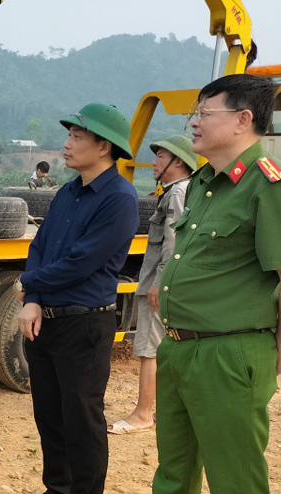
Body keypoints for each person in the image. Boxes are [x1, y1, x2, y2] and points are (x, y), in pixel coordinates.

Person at [93, 74, 281, 494]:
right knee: (175, 466)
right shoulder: (203, 184)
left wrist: (277, 356)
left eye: (205, 113)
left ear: (244, 119)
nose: (194, 122)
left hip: (230, 353)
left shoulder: (273, 185)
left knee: (235, 477)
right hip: (179, 346)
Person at [6, 102, 139, 494]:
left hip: (85, 324)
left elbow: (83, 263)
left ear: (104, 146)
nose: (67, 144)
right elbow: (41, 246)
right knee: (49, 410)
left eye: (78, 138)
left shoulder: (119, 199)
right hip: (48, 319)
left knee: (82, 416)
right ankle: (57, 490)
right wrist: (35, 298)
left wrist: (28, 284)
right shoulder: (67, 192)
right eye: (70, 136)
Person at [108, 135, 196, 435]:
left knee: (150, 350)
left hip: (161, 286)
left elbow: (174, 244)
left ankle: (143, 414)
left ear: (179, 161)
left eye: (160, 157)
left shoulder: (176, 195)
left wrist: (160, 284)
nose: (154, 162)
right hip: (170, 284)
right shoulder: (177, 191)